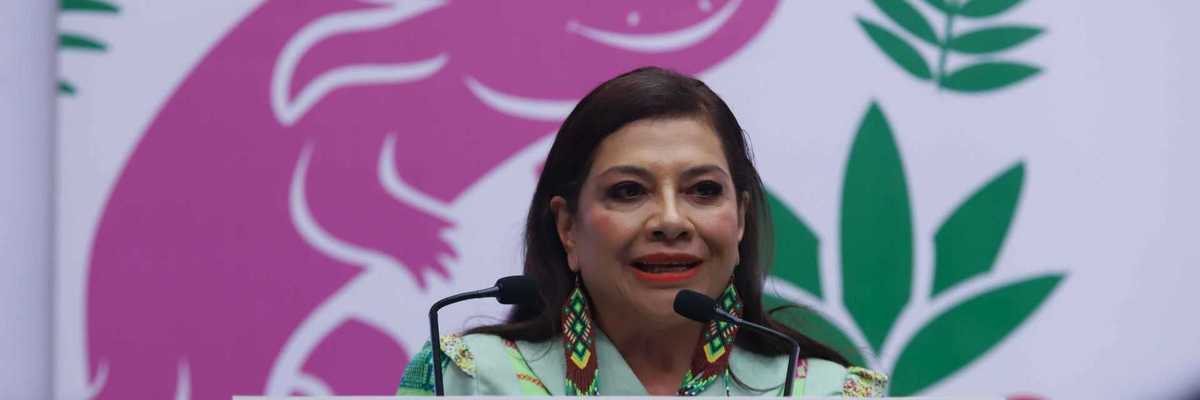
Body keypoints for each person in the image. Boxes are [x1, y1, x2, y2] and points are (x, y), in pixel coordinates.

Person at [397, 67, 887, 396]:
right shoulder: (465, 380)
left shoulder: (821, 392)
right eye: (630, 192)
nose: (671, 221)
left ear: (739, 222)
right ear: (568, 227)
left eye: (702, 190)